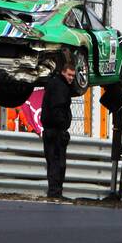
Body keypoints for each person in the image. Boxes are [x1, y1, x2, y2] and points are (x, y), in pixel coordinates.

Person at [41, 62, 75, 199]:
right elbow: (57, 109)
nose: (71, 78)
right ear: (63, 72)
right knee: (57, 164)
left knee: (54, 163)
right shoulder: (60, 87)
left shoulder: (55, 84)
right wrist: (62, 128)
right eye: (69, 75)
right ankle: (55, 192)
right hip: (55, 131)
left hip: (52, 130)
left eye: (73, 75)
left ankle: (55, 192)